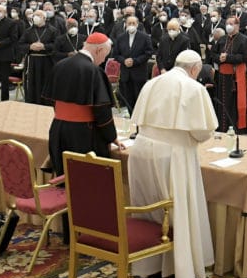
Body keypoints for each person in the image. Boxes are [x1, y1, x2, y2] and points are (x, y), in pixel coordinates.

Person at [128, 49, 219, 278]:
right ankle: (181, 272)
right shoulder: (193, 88)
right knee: (177, 210)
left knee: (149, 208)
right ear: (195, 69)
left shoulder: (152, 82)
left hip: (141, 152)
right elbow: (203, 132)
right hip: (173, 156)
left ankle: (151, 267)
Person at [45, 32, 120, 172]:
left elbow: (53, 101)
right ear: (99, 50)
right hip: (83, 134)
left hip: (58, 129)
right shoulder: (94, 71)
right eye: (105, 55)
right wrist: (112, 137)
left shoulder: (60, 65)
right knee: (84, 179)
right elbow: (102, 111)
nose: (104, 60)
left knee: (64, 177)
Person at [213, 18, 247, 132]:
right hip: (222, 76)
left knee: (234, 102)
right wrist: (219, 58)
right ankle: (222, 127)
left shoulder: (244, 39)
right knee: (223, 101)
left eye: (231, 24)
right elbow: (213, 54)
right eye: (227, 24)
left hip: (235, 77)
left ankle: (237, 127)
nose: (228, 26)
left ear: (237, 26)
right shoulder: (222, 39)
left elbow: (245, 57)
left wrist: (228, 58)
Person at [113, 15, 154, 115]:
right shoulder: (120, 37)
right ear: (126, 24)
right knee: (128, 98)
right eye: (129, 23)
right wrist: (124, 61)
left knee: (140, 98)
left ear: (137, 24)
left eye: (133, 23)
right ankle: (132, 117)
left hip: (139, 72)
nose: (131, 25)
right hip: (126, 74)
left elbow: (148, 53)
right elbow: (116, 54)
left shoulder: (144, 37)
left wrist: (135, 61)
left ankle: (140, 118)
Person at [19, 12, 58, 105]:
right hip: (32, 61)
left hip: (47, 61)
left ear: (44, 18)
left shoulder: (53, 30)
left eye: (38, 15)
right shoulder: (28, 31)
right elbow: (20, 44)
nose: (35, 17)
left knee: (46, 84)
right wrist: (30, 46)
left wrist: (44, 46)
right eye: (34, 15)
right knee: (32, 84)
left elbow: (57, 45)